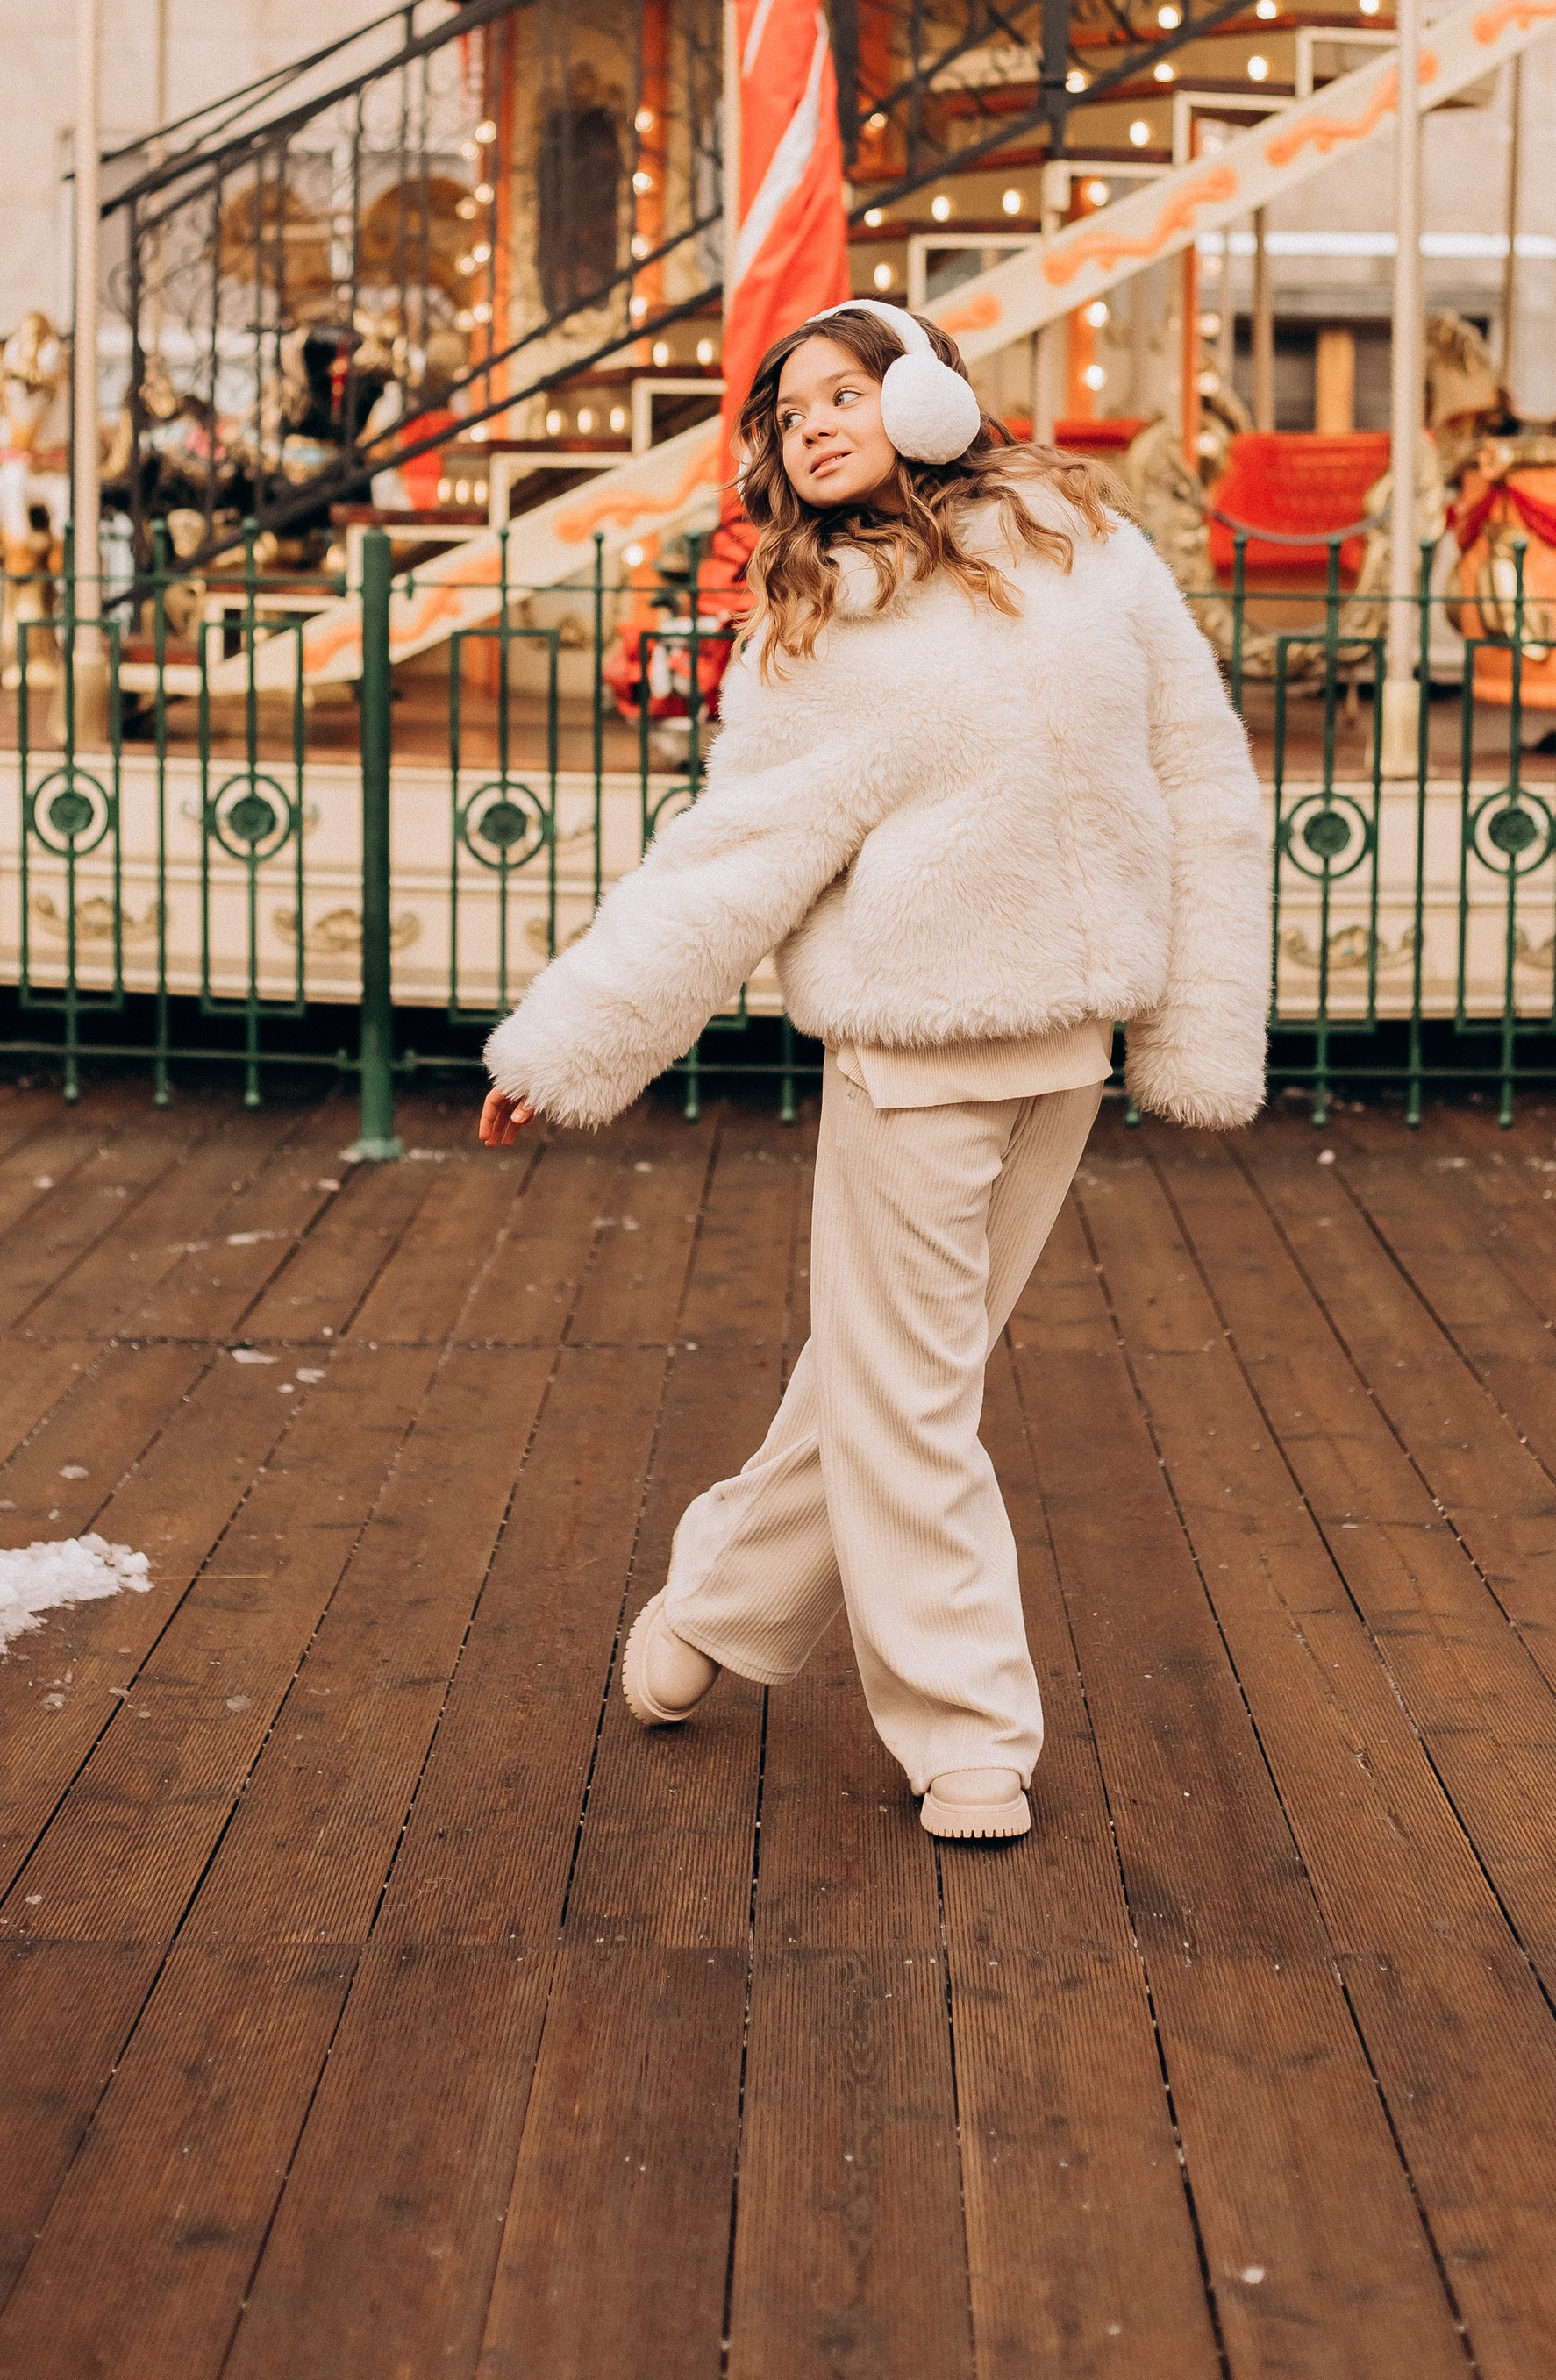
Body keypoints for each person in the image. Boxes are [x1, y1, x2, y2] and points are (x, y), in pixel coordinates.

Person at [478, 300, 1267, 1842]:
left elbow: (1200, 775)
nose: (816, 424)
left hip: (1067, 1049)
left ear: (923, 395)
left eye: (847, 391)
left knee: (891, 1380)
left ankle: (709, 1609)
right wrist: (570, 1048)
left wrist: (1199, 1021)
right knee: (915, 1406)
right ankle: (970, 1731)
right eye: (789, 413)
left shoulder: (1082, 546)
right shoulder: (813, 634)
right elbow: (725, 868)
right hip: (911, 1053)